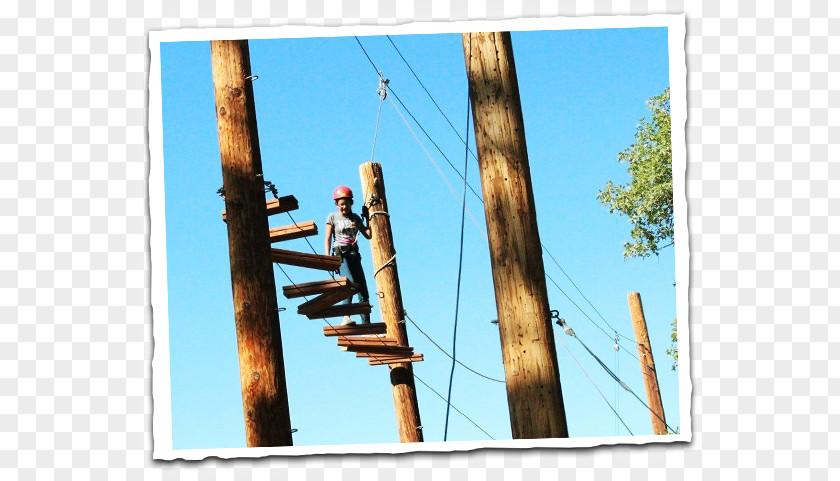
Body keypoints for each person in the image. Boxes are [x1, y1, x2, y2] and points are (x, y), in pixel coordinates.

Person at [324, 185, 371, 325]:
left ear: (351, 202)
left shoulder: (355, 218)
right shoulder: (332, 217)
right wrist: (327, 258)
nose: (343, 207)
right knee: (349, 283)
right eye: (340, 205)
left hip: (354, 254)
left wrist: (369, 218)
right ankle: (346, 316)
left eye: (345, 204)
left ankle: (366, 325)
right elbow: (327, 238)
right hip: (341, 254)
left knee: (362, 289)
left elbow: (368, 235)